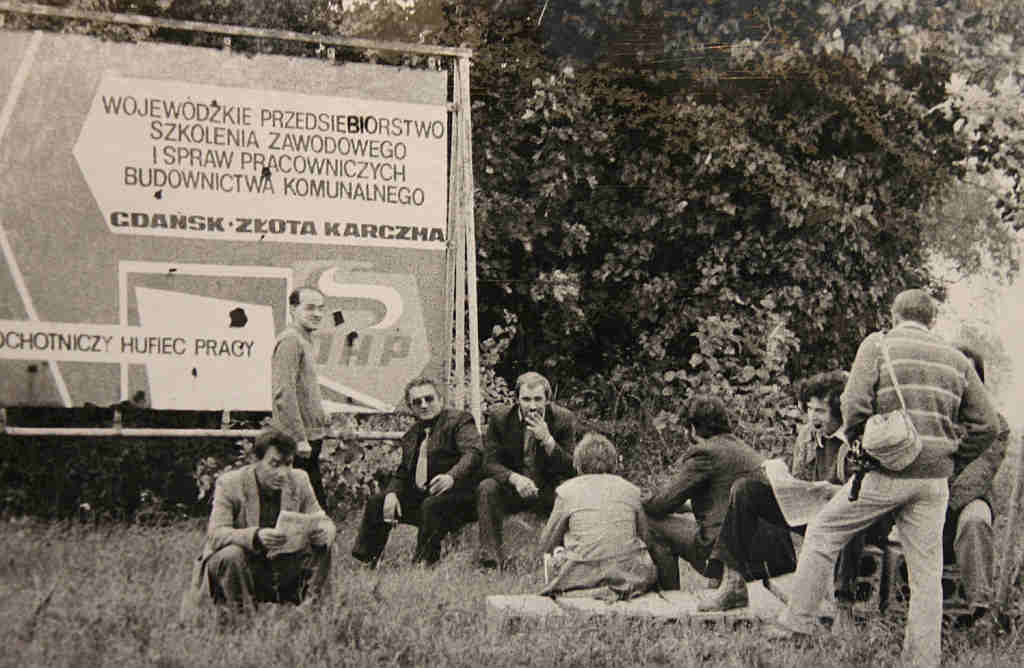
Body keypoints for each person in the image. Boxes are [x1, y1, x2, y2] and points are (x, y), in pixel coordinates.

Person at [764, 289, 1000, 668]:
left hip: (886, 471)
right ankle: (923, 657)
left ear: (894, 315)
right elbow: (987, 424)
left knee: (823, 530)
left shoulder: (877, 346)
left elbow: (853, 404)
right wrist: (953, 460)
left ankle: (797, 622)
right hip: (934, 481)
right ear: (931, 320)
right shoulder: (956, 359)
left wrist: (863, 444)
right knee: (927, 572)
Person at [700, 371, 880, 612]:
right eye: (809, 409)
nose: (812, 416)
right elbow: (799, 481)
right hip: (812, 511)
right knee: (745, 489)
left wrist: (834, 491)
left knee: (851, 513)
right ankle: (733, 584)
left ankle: (843, 603)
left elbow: (869, 493)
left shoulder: (858, 438)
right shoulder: (807, 435)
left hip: (849, 516)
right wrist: (782, 481)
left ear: (839, 412)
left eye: (820, 411)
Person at [643, 395, 797, 592]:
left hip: (735, 555)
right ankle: (716, 584)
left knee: (652, 522)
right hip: (777, 556)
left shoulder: (705, 453)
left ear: (692, 429)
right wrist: (684, 506)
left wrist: (635, 498)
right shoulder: (742, 448)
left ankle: (672, 597)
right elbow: (724, 499)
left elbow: (660, 505)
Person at [179, 428, 335, 621]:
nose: (283, 473)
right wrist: (255, 536)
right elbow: (215, 534)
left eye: (288, 464)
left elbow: (324, 521)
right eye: (274, 464)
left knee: (323, 545)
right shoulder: (230, 483)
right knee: (231, 554)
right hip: (244, 565)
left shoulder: (299, 479)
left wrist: (323, 532)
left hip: (282, 564)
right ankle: (241, 619)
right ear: (256, 461)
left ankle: (312, 615)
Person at [351, 377, 482, 566]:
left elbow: (473, 453)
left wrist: (451, 477)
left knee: (431, 504)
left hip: (460, 498)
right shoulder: (411, 435)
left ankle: (424, 564)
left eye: (429, 399)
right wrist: (392, 493)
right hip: (426, 497)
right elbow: (403, 472)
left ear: (441, 400)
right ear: (411, 407)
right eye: (417, 402)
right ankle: (367, 561)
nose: (424, 405)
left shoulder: (460, 421)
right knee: (378, 502)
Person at [476, 371, 578, 569]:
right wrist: (514, 479)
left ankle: (564, 558)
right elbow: (489, 462)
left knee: (569, 489)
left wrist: (548, 440)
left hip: (547, 490)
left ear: (547, 400)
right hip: (513, 489)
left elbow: (572, 468)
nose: (532, 406)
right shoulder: (500, 418)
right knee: (486, 487)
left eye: (538, 399)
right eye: (526, 399)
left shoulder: (563, 419)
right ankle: (490, 561)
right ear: (517, 399)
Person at [538, 433, 657, 600]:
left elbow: (546, 545)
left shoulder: (566, 491)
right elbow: (647, 540)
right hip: (629, 577)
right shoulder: (631, 490)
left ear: (578, 463)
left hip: (579, 577)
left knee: (555, 555)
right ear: (613, 463)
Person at [946, 346, 1010, 627]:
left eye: (969, 376)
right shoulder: (933, 418)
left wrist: (944, 500)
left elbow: (980, 472)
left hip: (966, 501)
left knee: (975, 520)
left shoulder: (996, 424)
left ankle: (980, 608)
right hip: (926, 497)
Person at [272, 286, 329, 508]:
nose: (317, 314)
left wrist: (321, 414)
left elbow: (304, 390)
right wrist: (298, 438)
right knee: (305, 507)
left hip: (309, 437)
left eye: (321, 308)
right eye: (310, 308)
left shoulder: (304, 339)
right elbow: (283, 393)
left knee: (307, 506)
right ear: (293, 309)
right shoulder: (291, 341)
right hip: (297, 440)